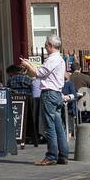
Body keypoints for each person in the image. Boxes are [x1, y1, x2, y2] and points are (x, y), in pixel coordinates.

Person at [22, 36, 69, 166]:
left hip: (49, 94)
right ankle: (63, 155)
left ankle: (52, 156)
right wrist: (30, 65)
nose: (45, 47)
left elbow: (38, 73)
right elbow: (41, 71)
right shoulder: (60, 59)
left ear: (50, 45)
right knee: (59, 126)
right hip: (57, 94)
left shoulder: (52, 59)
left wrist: (27, 65)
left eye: (46, 45)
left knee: (50, 127)